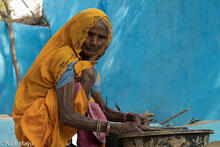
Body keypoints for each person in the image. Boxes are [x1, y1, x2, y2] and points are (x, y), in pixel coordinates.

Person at [12, 8, 153, 147]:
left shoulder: (85, 65)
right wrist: (115, 128)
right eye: (89, 34)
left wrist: (128, 117)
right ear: (78, 32)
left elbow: (102, 109)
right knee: (88, 74)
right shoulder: (65, 59)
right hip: (35, 126)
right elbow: (67, 115)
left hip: (54, 123)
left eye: (101, 37)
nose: (94, 42)